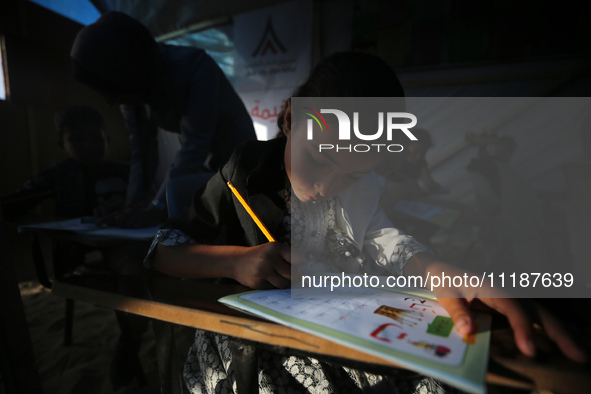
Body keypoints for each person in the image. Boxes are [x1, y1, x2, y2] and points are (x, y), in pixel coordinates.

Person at [148, 53, 587, 393]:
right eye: (319, 160)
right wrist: (235, 263)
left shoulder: (357, 189)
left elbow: (386, 240)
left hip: (336, 324)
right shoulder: (243, 172)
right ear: (288, 119)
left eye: (352, 174)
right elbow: (163, 250)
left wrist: (438, 272)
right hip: (251, 341)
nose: (327, 186)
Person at [70, 11, 257, 228]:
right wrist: (132, 205)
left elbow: (194, 147)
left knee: (234, 222)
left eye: (110, 89)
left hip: (241, 160)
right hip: (207, 165)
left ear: (126, 71)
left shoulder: (196, 68)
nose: (110, 101)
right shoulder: (133, 88)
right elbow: (142, 151)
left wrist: (158, 207)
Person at [1, 105, 128, 221]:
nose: (87, 145)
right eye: (76, 139)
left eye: (95, 137)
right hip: (76, 244)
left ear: (107, 140)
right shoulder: (58, 175)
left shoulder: (127, 171)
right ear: (62, 145)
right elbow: (16, 201)